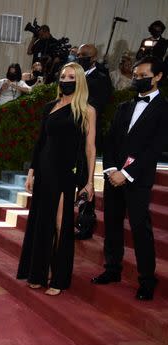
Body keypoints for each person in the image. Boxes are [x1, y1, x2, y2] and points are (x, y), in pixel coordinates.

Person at [92, 57, 168, 301]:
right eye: (135, 75)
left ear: (157, 77)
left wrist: (126, 174)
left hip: (137, 179)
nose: (137, 78)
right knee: (112, 224)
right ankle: (112, 269)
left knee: (140, 228)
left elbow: (155, 149)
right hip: (113, 176)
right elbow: (110, 139)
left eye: (143, 74)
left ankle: (147, 280)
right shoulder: (124, 106)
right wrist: (112, 169)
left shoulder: (164, 109)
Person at [17, 62, 96, 296]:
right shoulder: (50, 106)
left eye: (71, 76)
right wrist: (31, 172)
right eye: (63, 75)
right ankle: (38, 273)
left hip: (65, 173)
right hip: (44, 170)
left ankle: (59, 278)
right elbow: (41, 141)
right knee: (41, 221)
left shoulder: (86, 110)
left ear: (79, 80)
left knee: (61, 224)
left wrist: (90, 181)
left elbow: (90, 148)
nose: (66, 79)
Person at [74, 43, 113, 240]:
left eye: (83, 55)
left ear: (93, 58)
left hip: (87, 134)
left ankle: (86, 222)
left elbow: (97, 105)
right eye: (78, 54)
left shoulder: (101, 79)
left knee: (84, 180)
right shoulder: (75, 75)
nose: (79, 57)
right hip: (70, 135)